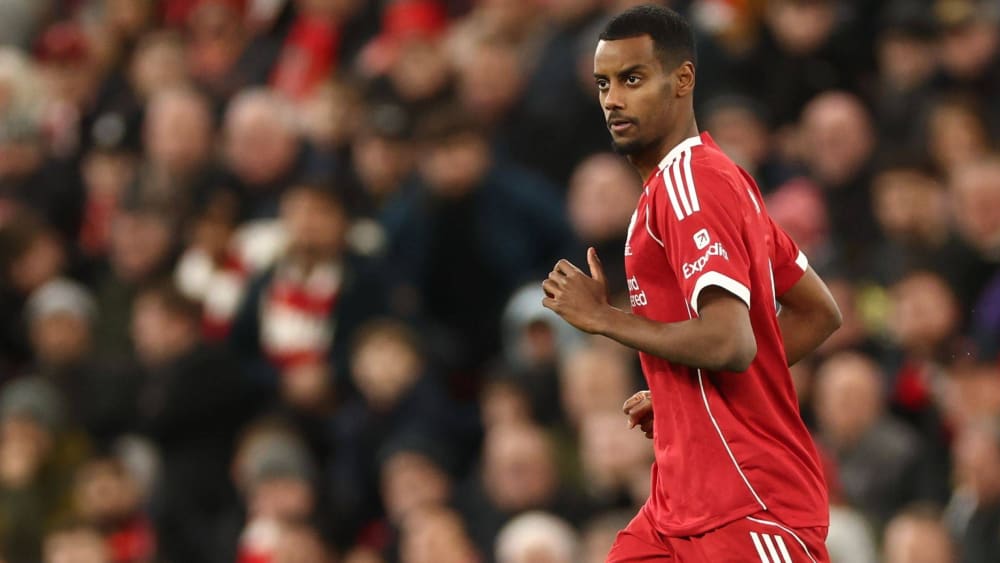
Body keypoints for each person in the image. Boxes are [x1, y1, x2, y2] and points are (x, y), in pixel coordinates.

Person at [541, 6, 842, 561]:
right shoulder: (704, 181)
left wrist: (604, 318)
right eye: (604, 83)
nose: (613, 99)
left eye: (632, 79)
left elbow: (730, 341)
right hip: (677, 506)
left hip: (748, 502)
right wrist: (684, 393)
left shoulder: (692, 185)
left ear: (683, 80)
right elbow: (816, 312)